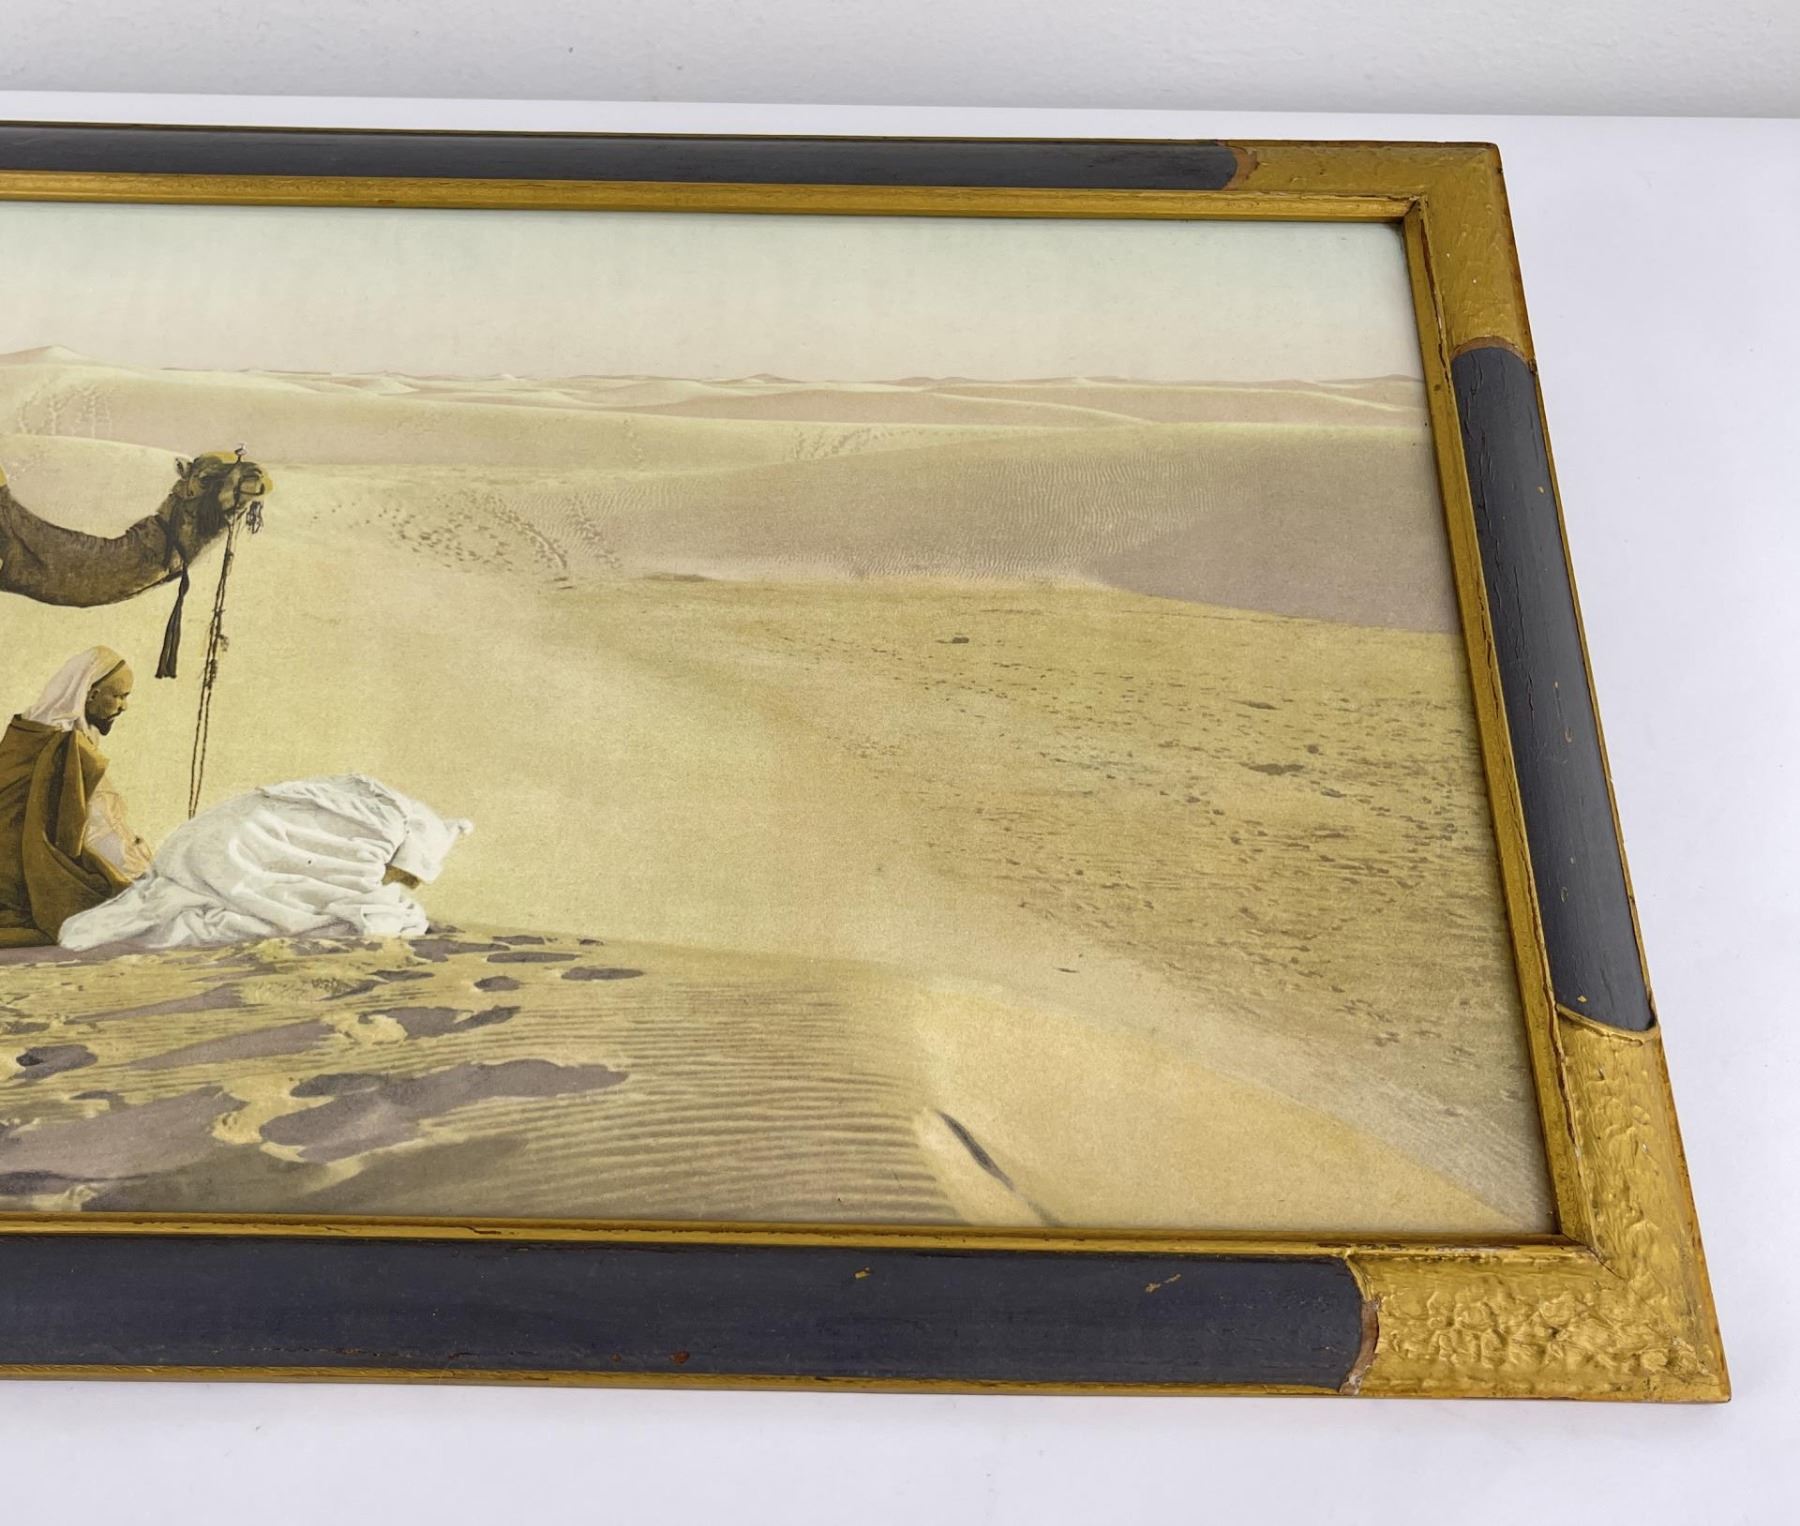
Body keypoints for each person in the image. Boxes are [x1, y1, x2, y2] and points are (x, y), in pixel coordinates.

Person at [59, 774, 472, 952]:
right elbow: (353, 898)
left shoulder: (373, 811)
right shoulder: (379, 828)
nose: (401, 883)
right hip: (220, 849)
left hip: (192, 849)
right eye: (408, 876)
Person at [0, 646, 153, 947]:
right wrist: (140, 873)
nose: (124, 706)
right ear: (91, 694)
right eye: (119, 696)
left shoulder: (34, 732)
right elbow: (96, 828)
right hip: (22, 884)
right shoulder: (65, 745)